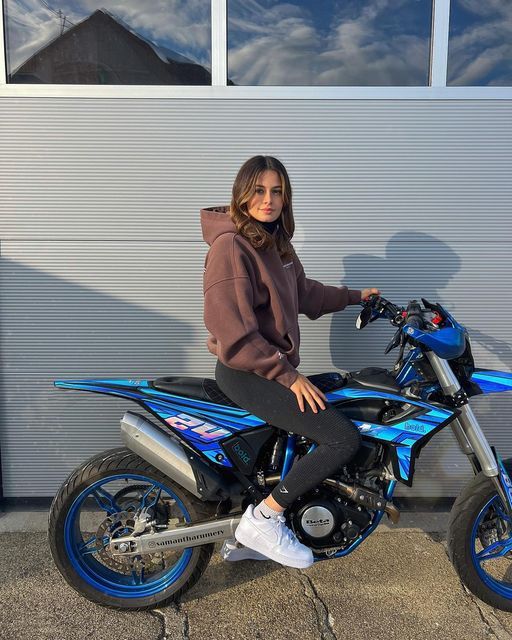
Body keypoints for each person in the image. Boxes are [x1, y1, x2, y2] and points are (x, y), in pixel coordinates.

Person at [200, 155, 380, 569]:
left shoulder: (275, 243)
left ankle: (255, 526)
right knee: (342, 439)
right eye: (259, 190)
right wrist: (288, 375)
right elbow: (235, 333)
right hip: (247, 371)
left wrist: (355, 297)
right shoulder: (231, 247)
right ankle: (264, 519)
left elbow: (304, 294)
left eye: (277, 191)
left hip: (266, 366)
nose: (268, 199)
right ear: (242, 195)